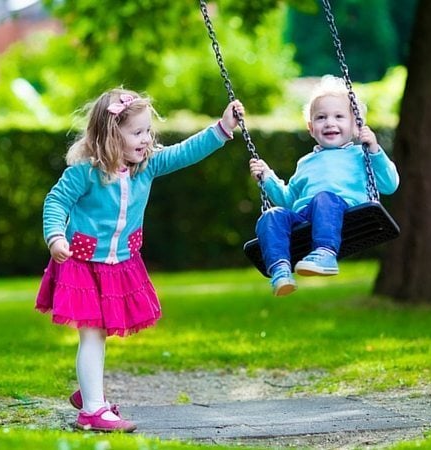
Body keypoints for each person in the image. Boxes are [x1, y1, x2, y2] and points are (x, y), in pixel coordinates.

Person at [36, 87, 244, 432]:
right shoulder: (84, 173)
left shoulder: (144, 168)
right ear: (109, 135)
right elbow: (55, 202)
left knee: (97, 335)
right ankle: (92, 410)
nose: (146, 139)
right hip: (83, 264)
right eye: (137, 133)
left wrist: (221, 129)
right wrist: (56, 236)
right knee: (92, 335)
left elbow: (184, 152)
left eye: (149, 131)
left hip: (120, 264)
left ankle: (90, 394)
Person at [249, 75, 399, 296]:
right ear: (311, 128)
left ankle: (325, 253)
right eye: (321, 117)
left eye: (339, 116)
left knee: (324, 198)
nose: (330, 122)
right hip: (306, 216)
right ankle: (280, 270)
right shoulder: (305, 163)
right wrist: (268, 177)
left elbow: (390, 184)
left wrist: (375, 150)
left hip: (346, 212)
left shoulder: (361, 154)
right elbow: (288, 200)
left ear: (356, 126)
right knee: (271, 216)